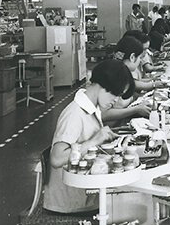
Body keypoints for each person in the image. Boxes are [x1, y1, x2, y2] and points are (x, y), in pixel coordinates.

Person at [45, 60, 135, 213]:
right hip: (71, 203)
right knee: (130, 204)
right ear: (103, 86)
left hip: (83, 193)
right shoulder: (74, 114)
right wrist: (95, 140)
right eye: (116, 94)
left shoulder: (91, 108)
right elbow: (56, 159)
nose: (115, 101)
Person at [102, 36, 166, 124]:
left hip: (123, 122)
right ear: (132, 57)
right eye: (139, 58)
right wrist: (135, 109)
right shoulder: (111, 75)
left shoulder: (123, 73)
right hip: (112, 129)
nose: (140, 61)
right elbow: (103, 114)